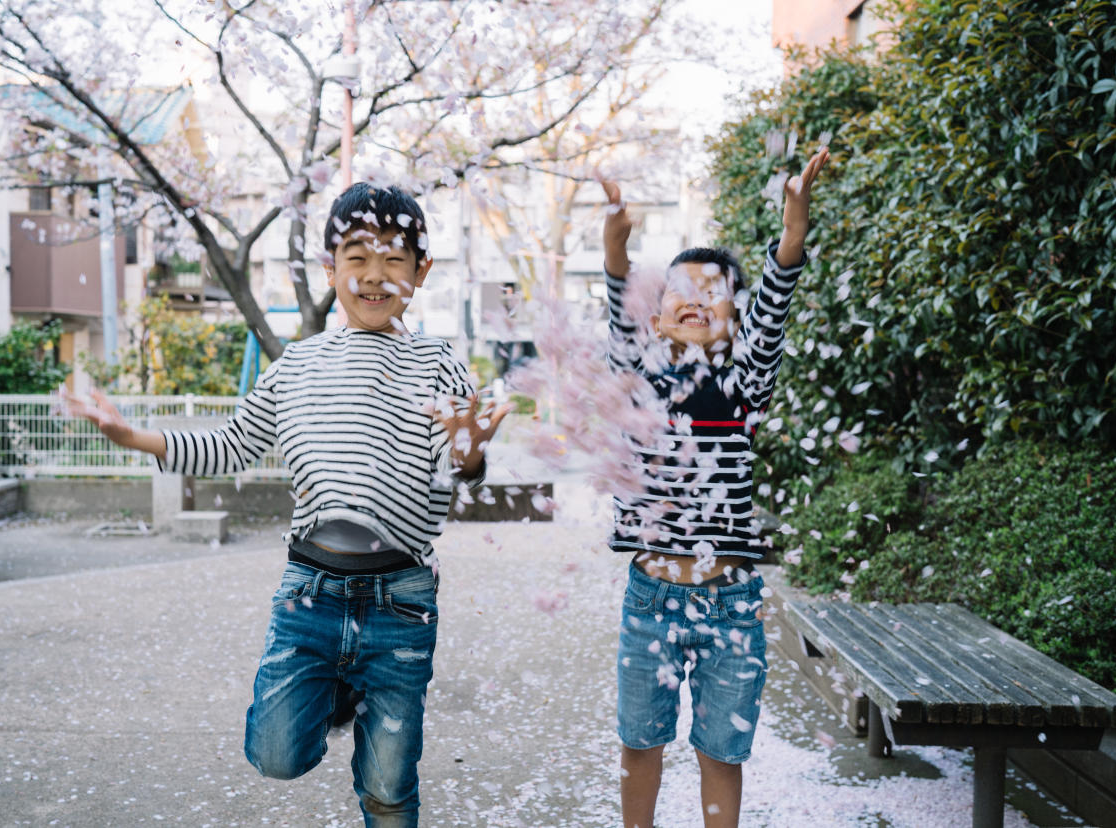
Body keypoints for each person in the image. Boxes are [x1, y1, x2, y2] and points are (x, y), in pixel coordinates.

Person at [65, 182, 511, 827]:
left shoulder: (439, 364)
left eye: (394, 260)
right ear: (329, 269)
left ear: (421, 272)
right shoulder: (295, 366)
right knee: (275, 756)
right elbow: (231, 445)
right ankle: (334, 691)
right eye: (357, 258)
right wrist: (134, 436)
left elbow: (460, 472)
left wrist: (469, 448)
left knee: (388, 785)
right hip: (310, 592)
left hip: (401, 599)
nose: (375, 276)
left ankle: (357, 694)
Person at [599, 146, 830, 828]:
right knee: (640, 745)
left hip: (731, 602)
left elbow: (774, 310)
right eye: (682, 290)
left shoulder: (741, 386)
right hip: (650, 597)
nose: (698, 300)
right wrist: (616, 246)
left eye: (715, 291)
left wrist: (792, 237)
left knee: (720, 752)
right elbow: (616, 311)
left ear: (733, 316)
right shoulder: (635, 382)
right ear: (657, 312)